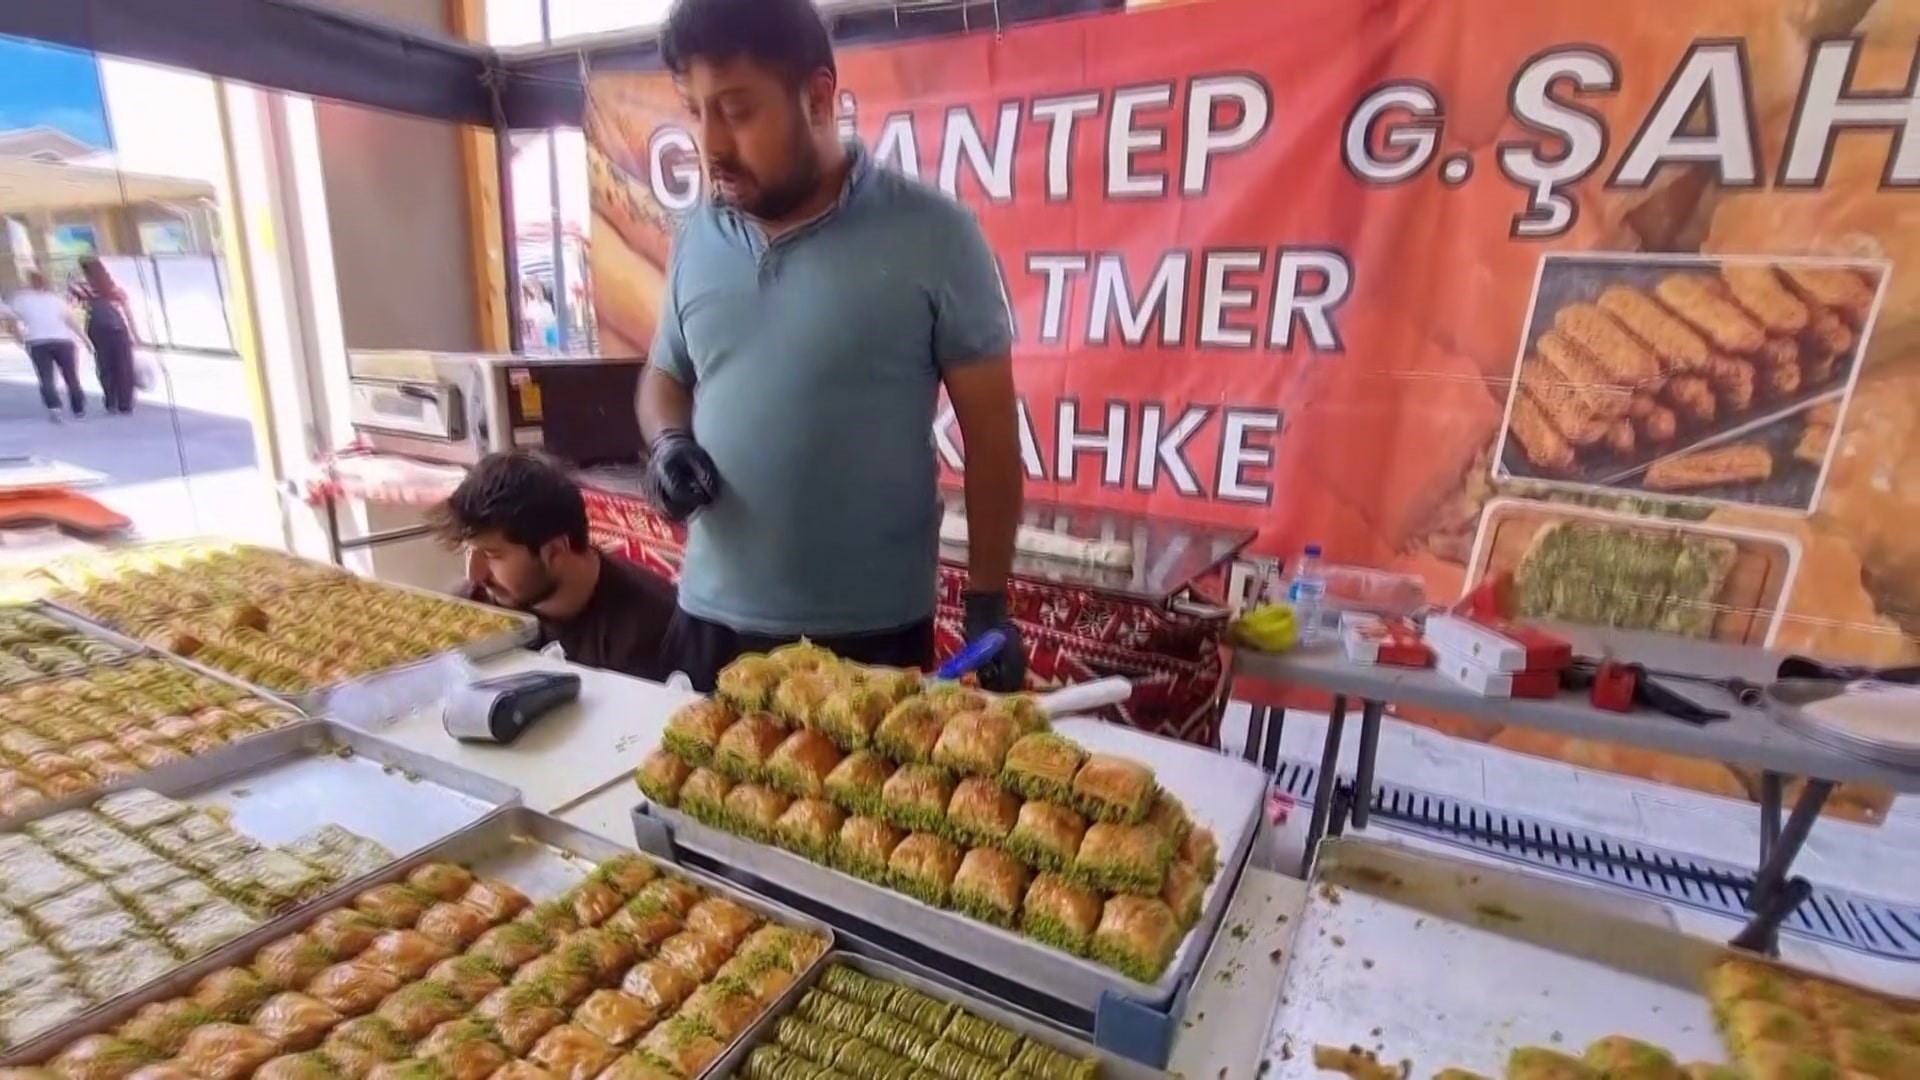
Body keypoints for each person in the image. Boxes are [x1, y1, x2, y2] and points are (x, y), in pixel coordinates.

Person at [637, 0, 1026, 693]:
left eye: (737, 109)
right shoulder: (699, 235)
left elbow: (992, 439)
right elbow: (665, 374)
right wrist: (668, 441)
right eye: (695, 111)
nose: (712, 145)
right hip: (709, 623)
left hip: (866, 641)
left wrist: (988, 604)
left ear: (818, 98)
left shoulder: (935, 235)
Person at [429, 451, 678, 680]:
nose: (474, 574)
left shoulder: (649, 632)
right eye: (469, 551)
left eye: (493, 555)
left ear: (556, 550)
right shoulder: (474, 604)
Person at [1, 269, 87, 421]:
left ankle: (55, 408)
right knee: (71, 376)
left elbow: (11, 318)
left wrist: (18, 337)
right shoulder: (55, 299)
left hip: (38, 342)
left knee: (46, 377)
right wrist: (84, 338)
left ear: (29, 282)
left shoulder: (21, 299)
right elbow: (70, 320)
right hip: (63, 341)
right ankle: (79, 409)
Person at [71, 256, 138, 415]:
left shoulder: (81, 288)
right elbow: (127, 313)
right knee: (124, 366)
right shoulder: (114, 288)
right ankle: (125, 403)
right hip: (119, 329)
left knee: (104, 365)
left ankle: (111, 400)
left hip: (97, 330)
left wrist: (80, 334)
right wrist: (135, 334)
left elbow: (72, 309)